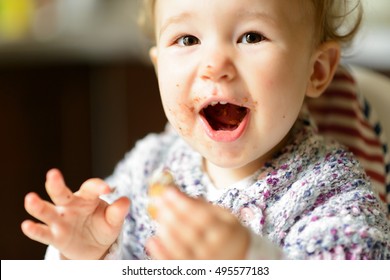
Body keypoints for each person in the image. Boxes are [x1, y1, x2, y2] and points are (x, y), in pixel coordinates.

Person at [22, 0, 390, 260]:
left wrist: (252, 262)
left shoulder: (330, 188)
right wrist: (84, 256)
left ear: (317, 71)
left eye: (251, 36)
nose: (215, 65)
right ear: (158, 67)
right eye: (188, 40)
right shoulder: (146, 170)